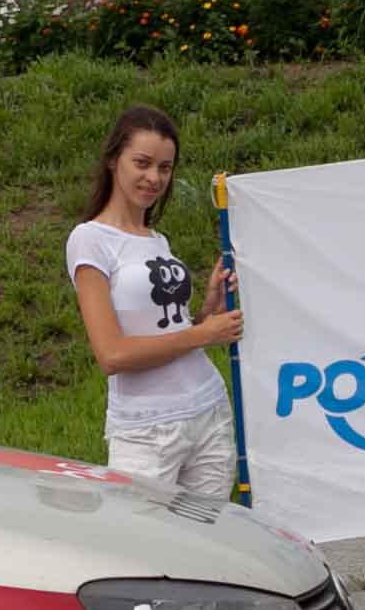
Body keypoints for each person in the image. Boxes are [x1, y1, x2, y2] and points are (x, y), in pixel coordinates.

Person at [63, 104, 243, 503]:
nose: (154, 178)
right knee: (142, 537)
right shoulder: (89, 240)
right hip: (146, 432)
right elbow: (112, 355)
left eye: (165, 167)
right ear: (114, 160)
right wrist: (203, 334)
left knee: (210, 536)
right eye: (142, 163)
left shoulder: (156, 239)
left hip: (208, 412)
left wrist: (207, 309)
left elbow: (169, 331)